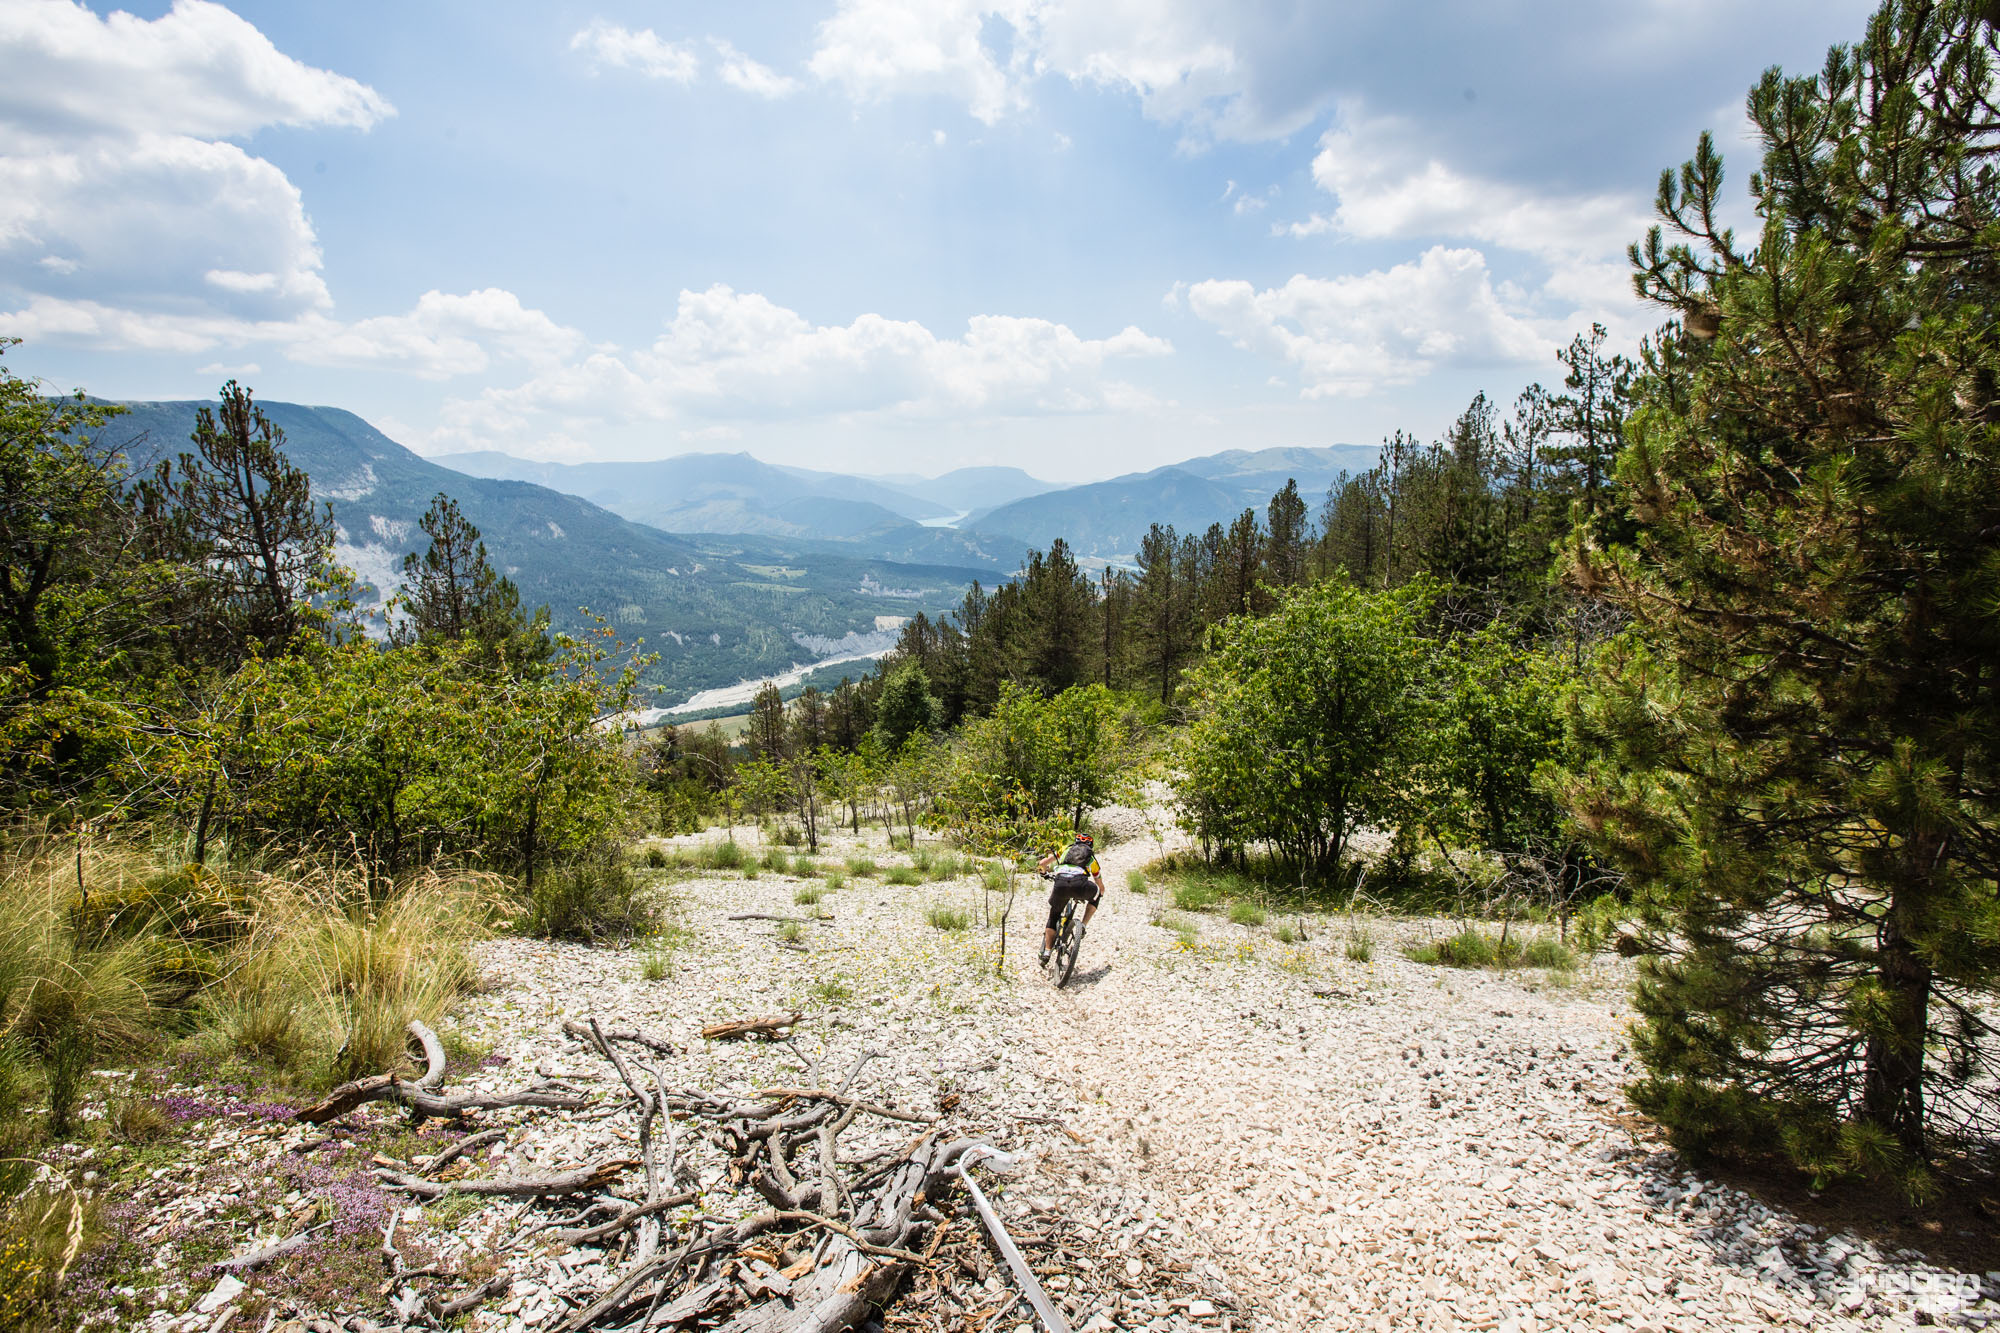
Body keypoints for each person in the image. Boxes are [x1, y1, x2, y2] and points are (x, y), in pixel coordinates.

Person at [1038, 832, 1104, 965]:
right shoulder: (1091, 858)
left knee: (1054, 916)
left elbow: (1042, 863)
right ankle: (1083, 925)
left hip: (1060, 883)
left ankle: (1047, 952)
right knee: (1097, 895)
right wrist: (1100, 892)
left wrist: (1044, 873)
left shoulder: (1065, 849)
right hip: (1080, 885)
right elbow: (1100, 885)